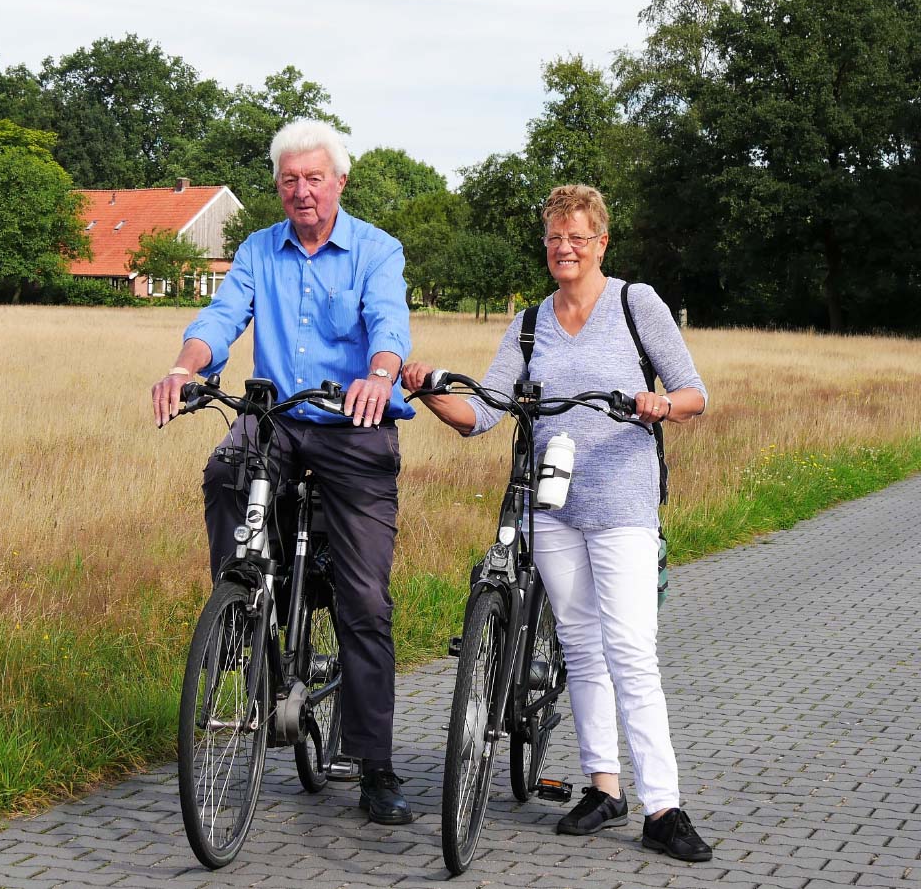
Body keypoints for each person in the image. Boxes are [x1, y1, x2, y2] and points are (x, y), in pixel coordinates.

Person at [402, 184, 713, 862]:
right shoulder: (530, 324)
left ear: (602, 243)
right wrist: (427, 389)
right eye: (554, 238)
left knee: (631, 648)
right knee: (580, 644)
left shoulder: (637, 304)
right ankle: (604, 787)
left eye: (577, 237)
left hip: (622, 505)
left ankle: (663, 806)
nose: (564, 248)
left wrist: (659, 406)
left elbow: (695, 394)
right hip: (552, 508)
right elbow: (482, 413)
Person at [151, 119, 415, 825]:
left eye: (315, 178)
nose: (302, 191)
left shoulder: (376, 250)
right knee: (222, 471)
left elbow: (389, 325)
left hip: (352, 425)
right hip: (276, 419)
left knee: (364, 600)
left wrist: (378, 376)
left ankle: (376, 767)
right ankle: (241, 609)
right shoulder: (257, 251)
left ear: (340, 183)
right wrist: (186, 366)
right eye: (290, 180)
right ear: (278, 187)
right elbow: (221, 315)